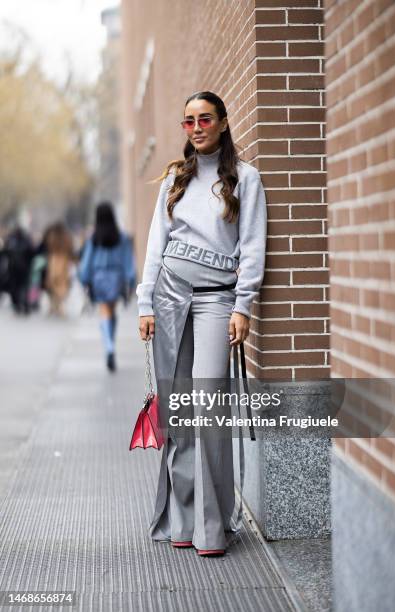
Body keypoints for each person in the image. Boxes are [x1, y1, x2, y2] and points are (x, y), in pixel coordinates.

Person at [136, 91, 267, 556]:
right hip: (169, 298)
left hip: (217, 300)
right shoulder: (174, 179)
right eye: (188, 120)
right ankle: (183, 521)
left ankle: (213, 529)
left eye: (204, 119)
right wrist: (144, 303)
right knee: (179, 410)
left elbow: (251, 246)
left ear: (223, 122)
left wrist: (242, 306)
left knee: (208, 405)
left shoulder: (245, 179)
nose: (196, 127)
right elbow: (156, 244)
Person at [78, 202, 136, 372]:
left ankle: (109, 347)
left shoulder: (94, 238)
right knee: (111, 310)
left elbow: (86, 263)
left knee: (104, 311)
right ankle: (111, 345)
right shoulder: (121, 237)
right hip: (116, 278)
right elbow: (128, 261)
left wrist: (84, 280)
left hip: (99, 277)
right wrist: (131, 281)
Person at [43, 222, 75, 317]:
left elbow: (48, 246)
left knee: (53, 283)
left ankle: (54, 306)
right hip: (64, 261)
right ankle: (59, 306)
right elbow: (71, 248)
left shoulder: (52, 236)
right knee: (62, 284)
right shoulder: (66, 237)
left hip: (54, 260)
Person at [4, 226, 35, 315]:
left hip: (18, 269)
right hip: (20, 269)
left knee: (19, 288)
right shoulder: (23, 241)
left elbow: (6, 252)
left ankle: (22, 305)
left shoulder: (12, 241)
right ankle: (22, 305)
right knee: (21, 288)